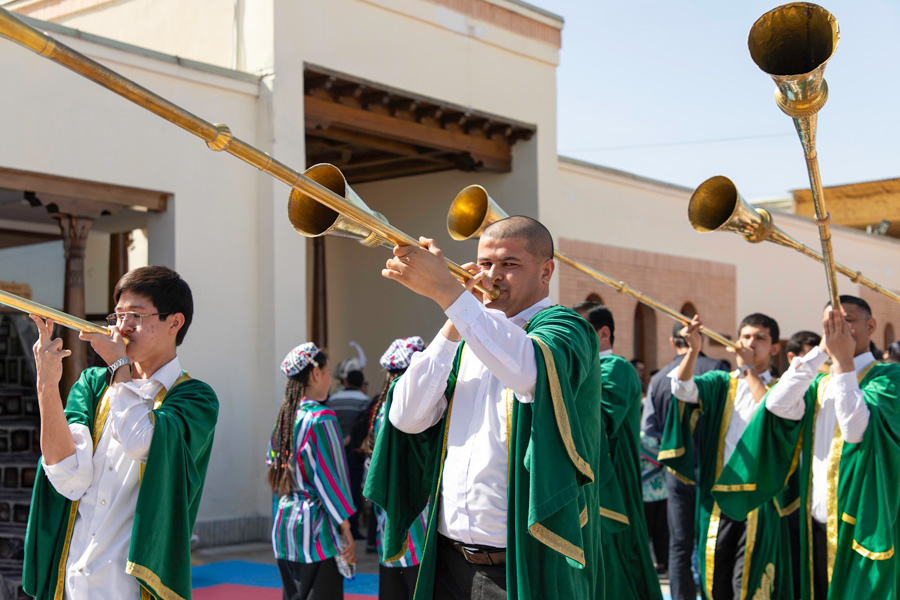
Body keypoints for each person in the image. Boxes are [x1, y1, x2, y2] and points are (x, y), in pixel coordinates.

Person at [366, 216, 617, 600]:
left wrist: (451, 295)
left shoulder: (568, 329)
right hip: (450, 562)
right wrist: (453, 317)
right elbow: (406, 417)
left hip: (528, 563)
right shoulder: (469, 333)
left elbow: (528, 370)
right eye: (484, 264)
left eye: (509, 264)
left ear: (546, 271)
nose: (492, 276)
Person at [23, 265, 218, 600]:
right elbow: (67, 476)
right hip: (73, 579)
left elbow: (141, 442)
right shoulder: (93, 384)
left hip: (132, 587)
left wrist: (118, 367)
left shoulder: (195, 398)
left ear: (175, 322)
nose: (122, 327)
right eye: (117, 316)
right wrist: (46, 384)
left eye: (136, 316)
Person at [714, 296, 900, 599]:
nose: (839, 328)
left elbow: (855, 431)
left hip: (860, 522)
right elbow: (774, 405)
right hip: (814, 521)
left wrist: (843, 364)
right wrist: (819, 355)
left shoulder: (889, 377)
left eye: (847, 321)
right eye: (830, 323)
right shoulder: (822, 382)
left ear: (871, 326)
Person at [659, 313, 792, 600]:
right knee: (714, 580)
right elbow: (681, 389)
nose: (751, 343)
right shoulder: (721, 382)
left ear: (774, 348)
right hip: (718, 499)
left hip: (758, 500)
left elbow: (770, 411)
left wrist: (748, 371)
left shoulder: (783, 388)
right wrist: (694, 349)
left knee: (749, 583)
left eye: (760, 338)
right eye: (745, 337)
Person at [573, 302, 662, 600]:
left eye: (578, 331)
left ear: (604, 333)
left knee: (614, 566)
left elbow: (599, 418)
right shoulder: (584, 367)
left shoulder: (617, 368)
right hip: (584, 481)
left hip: (612, 486)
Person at [642, 321, 729, 600]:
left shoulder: (657, 379)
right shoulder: (718, 369)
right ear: (698, 338)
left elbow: (651, 430)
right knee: (710, 538)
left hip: (676, 471)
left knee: (679, 543)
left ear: (671, 342)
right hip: (712, 467)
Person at [268, 342, 356, 600]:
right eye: (328, 372)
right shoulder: (321, 418)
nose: (330, 379)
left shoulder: (284, 418)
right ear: (316, 373)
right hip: (316, 529)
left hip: (285, 525)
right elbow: (331, 480)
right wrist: (346, 528)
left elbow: (274, 473)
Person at [360, 336, 428, 600]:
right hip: (417, 518)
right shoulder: (415, 408)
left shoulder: (381, 410)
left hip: (387, 520)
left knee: (393, 587)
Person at [326, 366, 369, 539]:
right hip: (353, 452)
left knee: (336, 486)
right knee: (353, 489)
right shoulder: (364, 400)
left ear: (345, 381)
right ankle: (353, 527)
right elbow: (364, 427)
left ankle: (337, 524)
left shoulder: (333, 400)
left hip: (334, 449)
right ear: (361, 383)